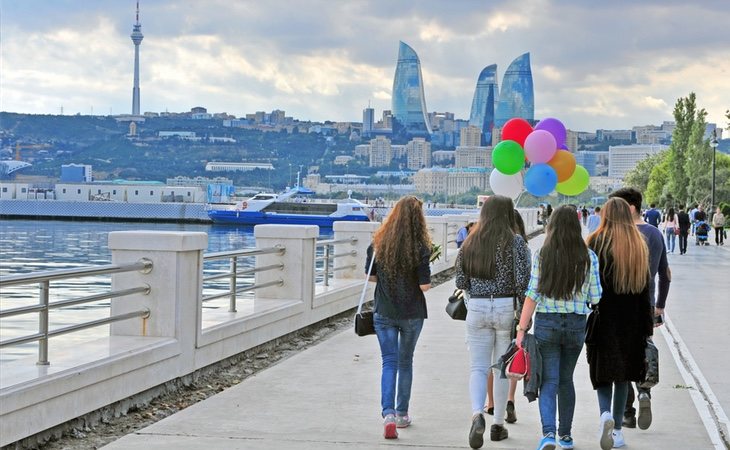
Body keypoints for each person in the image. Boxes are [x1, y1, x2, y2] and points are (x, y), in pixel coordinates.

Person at [515, 206, 602, 450]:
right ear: (577, 226)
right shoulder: (589, 257)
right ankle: (566, 436)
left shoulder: (543, 255)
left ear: (552, 226)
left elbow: (532, 295)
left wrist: (521, 330)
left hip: (547, 324)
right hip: (575, 325)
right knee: (566, 380)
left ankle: (548, 435)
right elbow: (596, 297)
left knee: (548, 381)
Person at [455, 195, 531, 449]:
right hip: (504, 306)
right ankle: (498, 424)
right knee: (501, 368)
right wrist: (523, 315)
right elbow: (523, 282)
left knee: (478, 367)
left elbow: (460, 282)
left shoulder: (470, 241)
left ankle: (477, 414)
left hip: (476, 306)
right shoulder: (516, 242)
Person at [586, 197, 654, 450]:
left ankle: (604, 414)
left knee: (602, 372)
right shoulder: (639, 244)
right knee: (624, 376)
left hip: (602, 317)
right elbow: (646, 291)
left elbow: (586, 283)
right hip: (633, 321)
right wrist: (648, 328)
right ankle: (616, 431)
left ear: (605, 214)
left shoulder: (594, 241)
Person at [365, 196, 432, 439]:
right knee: (405, 362)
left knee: (388, 362)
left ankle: (388, 414)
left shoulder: (379, 244)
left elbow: (371, 278)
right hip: (412, 313)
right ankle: (403, 414)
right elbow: (424, 286)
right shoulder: (421, 248)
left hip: (384, 311)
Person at [609, 188, 670, 431]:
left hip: (619, 305)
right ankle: (644, 392)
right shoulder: (655, 233)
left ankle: (627, 412)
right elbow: (665, 274)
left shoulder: (619, 234)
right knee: (642, 351)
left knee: (621, 357)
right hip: (646, 304)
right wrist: (660, 306)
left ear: (631, 207)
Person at [484, 210, 528, 424]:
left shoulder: (490, 245)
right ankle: (510, 399)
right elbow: (525, 281)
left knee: (491, 359)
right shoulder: (521, 246)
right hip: (516, 309)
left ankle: (491, 402)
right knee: (511, 356)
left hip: (488, 306)